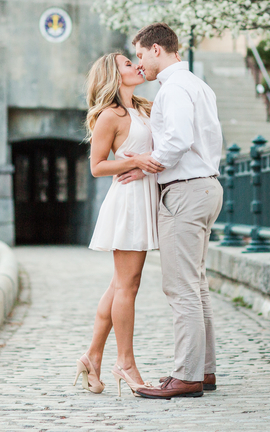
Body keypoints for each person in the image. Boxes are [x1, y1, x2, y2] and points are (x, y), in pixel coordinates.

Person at [118, 23, 224, 399]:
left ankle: (187, 375)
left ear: (157, 50)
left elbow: (177, 140)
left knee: (180, 287)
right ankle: (203, 370)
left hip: (185, 192)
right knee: (196, 285)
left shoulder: (174, 89)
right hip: (205, 186)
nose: (140, 63)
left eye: (142, 54)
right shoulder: (196, 84)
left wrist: (147, 162)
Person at [74, 52, 163, 396]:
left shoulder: (143, 107)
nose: (136, 66)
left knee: (121, 284)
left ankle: (92, 356)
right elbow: (97, 166)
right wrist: (136, 160)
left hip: (143, 196)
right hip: (127, 201)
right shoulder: (110, 115)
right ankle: (125, 363)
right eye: (128, 63)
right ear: (114, 75)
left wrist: (144, 162)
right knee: (128, 286)